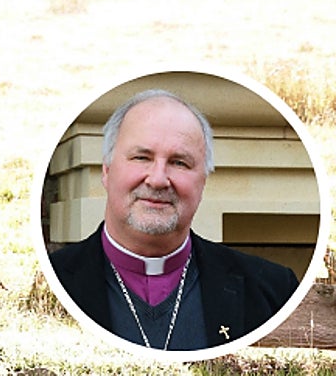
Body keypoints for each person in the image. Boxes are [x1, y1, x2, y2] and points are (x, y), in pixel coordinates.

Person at [49, 89, 299, 351]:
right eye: (141, 157)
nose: (157, 180)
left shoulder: (274, 292)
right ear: (107, 171)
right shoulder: (51, 283)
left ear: (203, 182)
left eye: (179, 163)